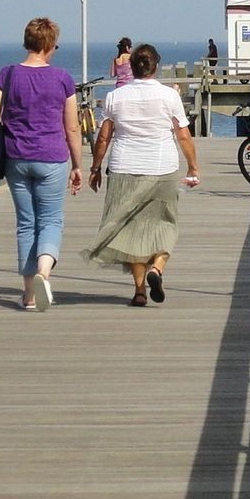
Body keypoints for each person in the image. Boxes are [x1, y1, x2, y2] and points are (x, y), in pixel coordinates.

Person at [87, 43, 199, 306]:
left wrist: (95, 168)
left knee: (130, 230)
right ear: (155, 66)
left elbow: (104, 137)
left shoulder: (115, 97)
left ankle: (139, 291)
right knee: (165, 224)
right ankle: (157, 269)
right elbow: (183, 134)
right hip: (162, 168)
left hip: (124, 168)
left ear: (131, 67)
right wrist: (193, 166)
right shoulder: (169, 96)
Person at [0, 17, 85, 312]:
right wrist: (78, 165)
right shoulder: (63, 79)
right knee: (51, 221)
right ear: (50, 45)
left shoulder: (7, 74)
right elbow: (73, 128)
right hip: (52, 158)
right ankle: (44, 272)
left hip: (17, 158)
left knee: (26, 224)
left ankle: (29, 296)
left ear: (27, 42)